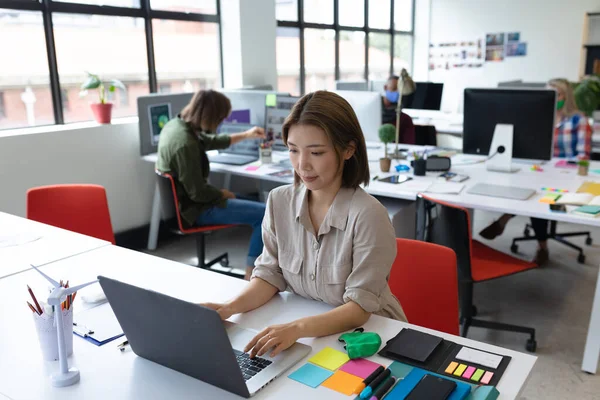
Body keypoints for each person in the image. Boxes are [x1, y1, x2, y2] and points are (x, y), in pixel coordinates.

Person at [201, 91, 406, 359]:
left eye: (316, 152)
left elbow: (359, 308)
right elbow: (268, 276)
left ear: (348, 149)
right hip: (311, 331)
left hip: (370, 337)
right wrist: (227, 308)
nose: (302, 165)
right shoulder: (278, 201)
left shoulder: (368, 215)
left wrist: (296, 329)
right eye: (293, 150)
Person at [479, 78, 592, 265]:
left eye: (558, 94)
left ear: (566, 97)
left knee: (537, 195)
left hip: (566, 176)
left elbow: (583, 156)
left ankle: (537, 244)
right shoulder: (541, 118)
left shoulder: (577, 120)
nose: (553, 98)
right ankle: (507, 224)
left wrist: (560, 166)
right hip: (540, 170)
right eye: (549, 93)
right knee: (522, 187)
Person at [156, 90, 266, 280]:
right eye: (221, 118)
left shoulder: (176, 126)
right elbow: (197, 192)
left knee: (254, 201)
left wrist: (247, 135)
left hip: (187, 204)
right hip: (196, 209)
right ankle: (251, 276)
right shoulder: (185, 144)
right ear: (211, 116)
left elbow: (209, 141)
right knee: (265, 214)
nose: (221, 122)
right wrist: (222, 194)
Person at [382, 75, 416, 144]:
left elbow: (409, 145)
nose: (397, 93)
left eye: (400, 90)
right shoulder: (372, 113)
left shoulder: (404, 119)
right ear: (385, 88)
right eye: (394, 89)